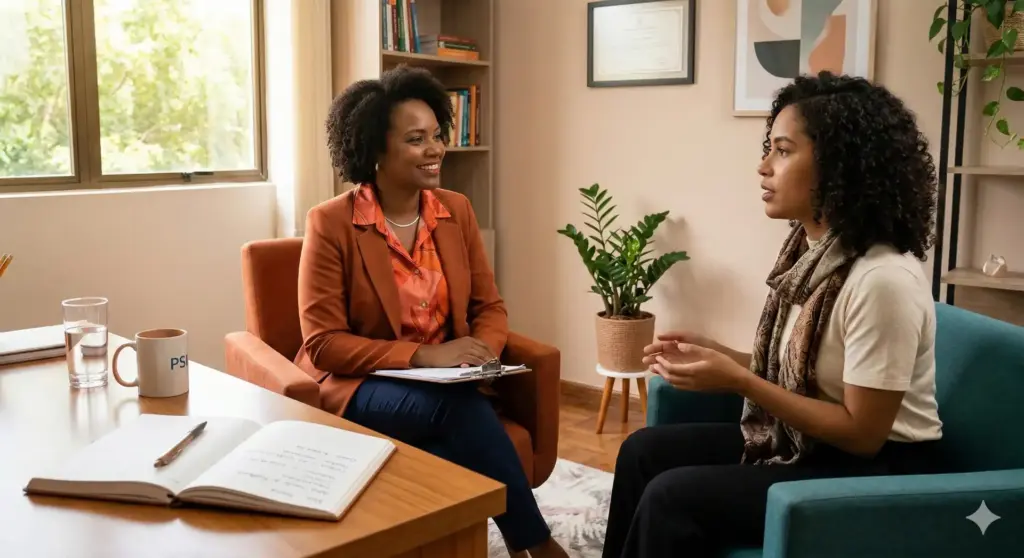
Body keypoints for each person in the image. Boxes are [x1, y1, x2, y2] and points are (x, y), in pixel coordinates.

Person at [601, 71, 946, 558]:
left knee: (671, 499)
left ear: (838, 165)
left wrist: (741, 382)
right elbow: (802, 374)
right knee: (641, 452)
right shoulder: (810, 257)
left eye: (783, 151)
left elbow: (863, 434)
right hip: (811, 442)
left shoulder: (881, 280)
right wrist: (719, 356)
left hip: (877, 470)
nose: (763, 167)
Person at [294, 65, 568, 558]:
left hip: (448, 382)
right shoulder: (331, 223)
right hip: (362, 384)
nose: (436, 149)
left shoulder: (454, 210)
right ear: (375, 150)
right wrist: (423, 357)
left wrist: (482, 353)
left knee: (452, 433)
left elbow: (490, 305)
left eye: (438, 135)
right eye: (416, 139)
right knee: (462, 410)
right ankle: (537, 544)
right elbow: (322, 343)